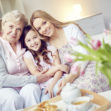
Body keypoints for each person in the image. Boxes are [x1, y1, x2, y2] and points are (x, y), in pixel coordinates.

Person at [30, 10, 110, 94]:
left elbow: (84, 54)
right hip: (69, 75)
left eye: (44, 23)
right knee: (69, 93)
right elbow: (55, 67)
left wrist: (72, 76)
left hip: (88, 65)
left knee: (87, 86)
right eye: (39, 28)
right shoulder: (47, 44)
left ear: (50, 19)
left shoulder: (70, 29)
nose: (44, 29)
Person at [0, 10, 51, 111]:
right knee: (13, 99)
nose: (14, 32)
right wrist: (34, 79)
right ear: (3, 25)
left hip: (28, 84)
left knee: (32, 90)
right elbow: (2, 79)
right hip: (5, 87)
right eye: (11, 26)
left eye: (18, 29)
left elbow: (42, 49)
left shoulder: (24, 41)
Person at [20, 25, 69, 102]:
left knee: (58, 90)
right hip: (43, 87)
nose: (33, 42)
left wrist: (52, 85)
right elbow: (38, 76)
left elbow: (59, 72)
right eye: (28, 40)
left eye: (35, 37)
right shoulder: (27, 56)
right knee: (44, 102)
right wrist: (57, 67)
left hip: (57, 80)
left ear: (39, 36)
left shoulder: (51, 49)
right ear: (25, 43)